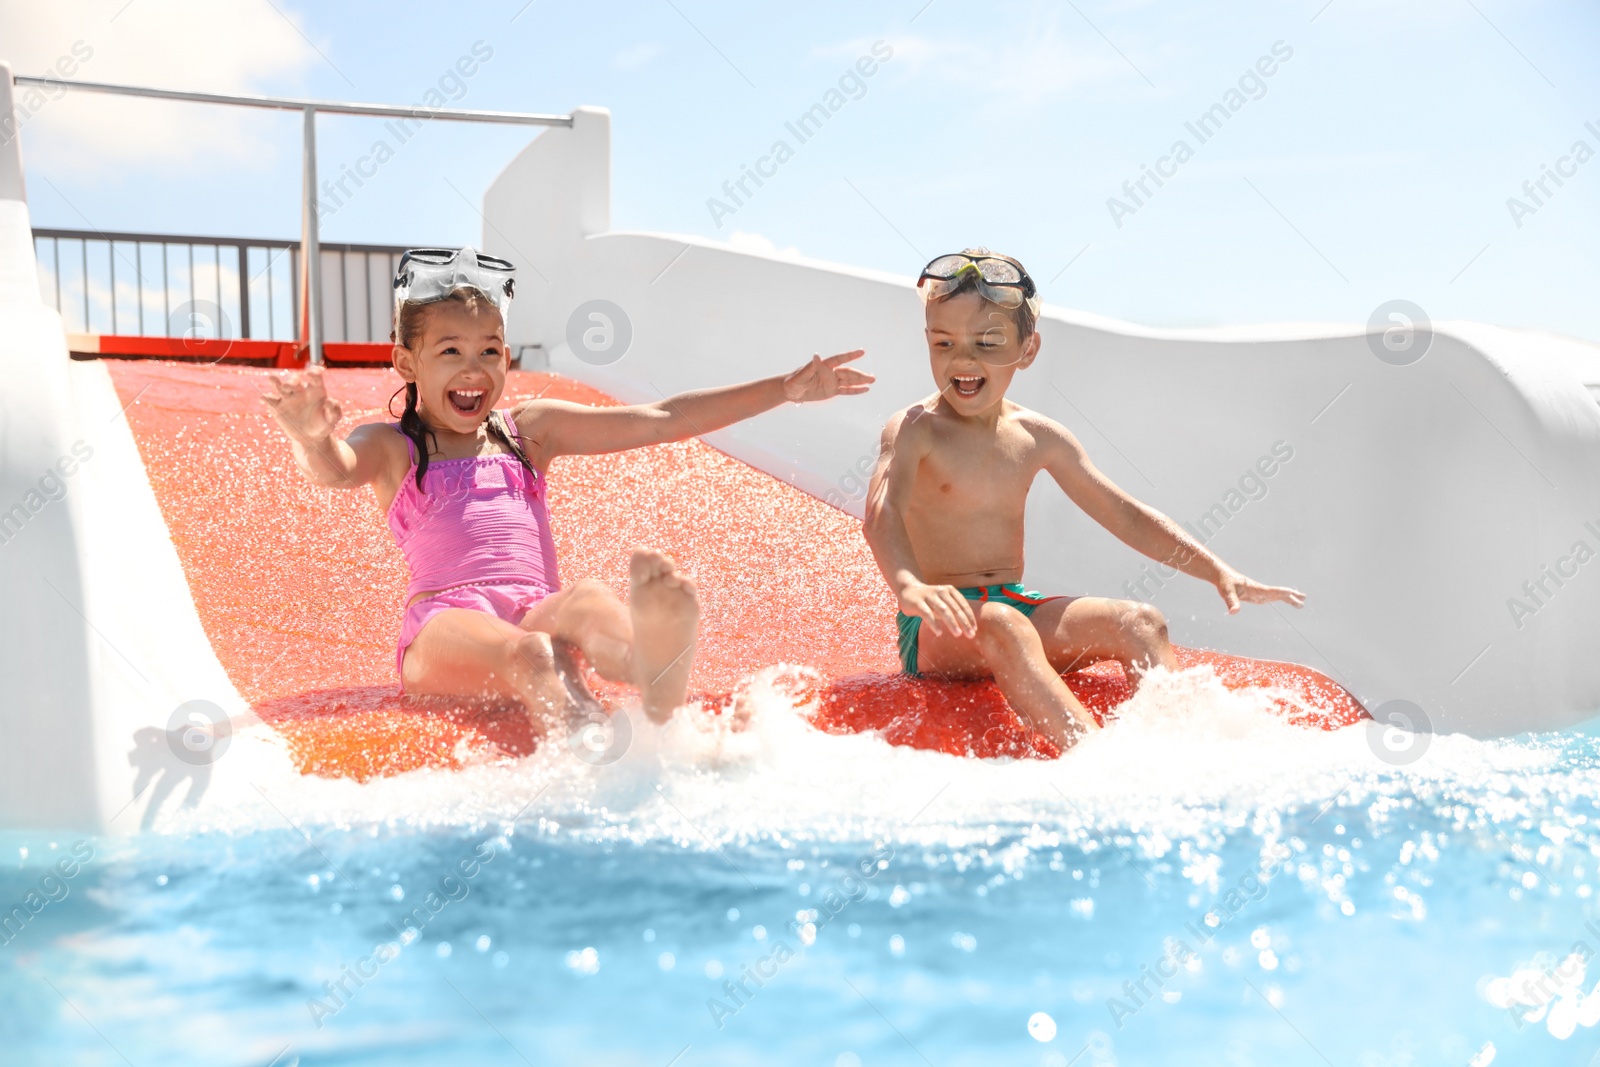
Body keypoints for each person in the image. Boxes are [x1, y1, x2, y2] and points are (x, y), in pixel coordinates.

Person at [263, 247, 872, 728]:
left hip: (535, 603)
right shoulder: (394, 446)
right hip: (443, 624)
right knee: (535, 654)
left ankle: (649, 660)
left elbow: (663, 419)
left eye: (491, 350)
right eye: (450, 351)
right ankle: (595, 764)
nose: (475, 369)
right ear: (406, 363)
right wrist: (311, 437)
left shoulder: (530, 431)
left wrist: (783, 390)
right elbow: (337, 469)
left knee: (586, 600)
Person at [863, 249, 1303, 750]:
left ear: (1027, 350)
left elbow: (1123, 513)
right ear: (928, 342)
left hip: (1012, 605)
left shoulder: (1037, 435)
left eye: (987, 343)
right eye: (945, 343)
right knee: (1006, 626)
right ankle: (1094, 761)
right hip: (937, 623)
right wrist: (907, 586)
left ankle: (1183, 749)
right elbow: (883, 513)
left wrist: (1217, 570)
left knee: (1140, 621)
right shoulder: (915, 429)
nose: (964, 359)